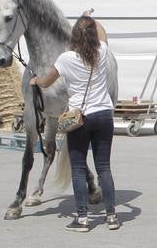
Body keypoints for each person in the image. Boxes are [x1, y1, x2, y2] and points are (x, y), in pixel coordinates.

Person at [34, 12, 119, 231]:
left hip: (79, 119)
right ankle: (111, 216)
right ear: (92, 35)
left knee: (79, 169)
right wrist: (90, 18)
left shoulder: (65, 59)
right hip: (103, 116)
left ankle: (82, 218)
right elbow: (102, 33)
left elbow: (45, 83)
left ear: (74, 36)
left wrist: (36, 79)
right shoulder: (102, 51)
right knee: (104, 168)